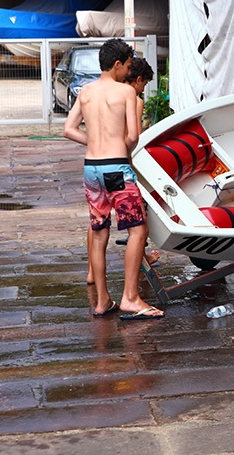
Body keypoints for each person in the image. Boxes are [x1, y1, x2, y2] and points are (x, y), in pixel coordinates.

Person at [64, 38, 164, 320]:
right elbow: (133, 136)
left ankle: (102, 301)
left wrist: (93, 141)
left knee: (98, 233)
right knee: (138, 230)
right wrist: (118, 148)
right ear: (118, 64)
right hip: (116, 168)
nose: (129, 72)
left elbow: (69, 129)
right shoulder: (125, 93)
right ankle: (130, 298)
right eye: (129, 66)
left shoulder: (86, 91)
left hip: (91, 170)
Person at [84, 56, 159, 285]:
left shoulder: (99, 92)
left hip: (93, 165)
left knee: (98, 222)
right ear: (137, 79)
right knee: (138, 224)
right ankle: (132, 287)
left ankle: (91, 272)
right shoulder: (131, 98)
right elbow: (131, 137)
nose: (143, 90)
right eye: (144, 85)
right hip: (118, 167)